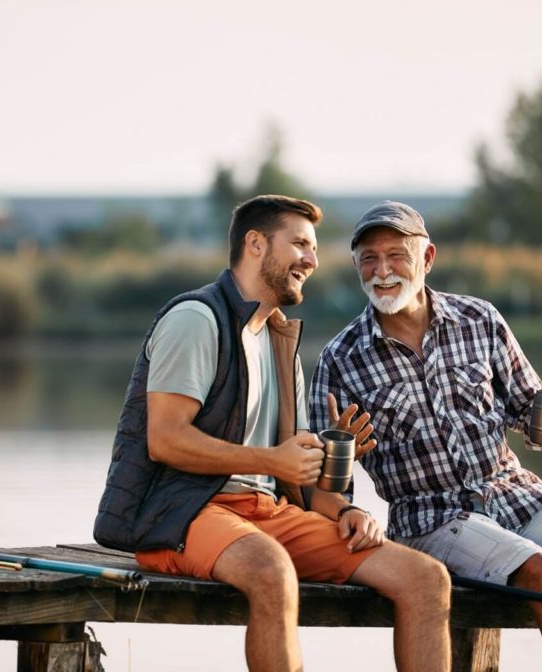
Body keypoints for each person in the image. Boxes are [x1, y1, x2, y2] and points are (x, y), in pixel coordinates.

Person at [309, 201, 542, 672]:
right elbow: (325, 490)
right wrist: (341, 457)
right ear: (355, 267)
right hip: (433, 519)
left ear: (427, 259)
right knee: (541, 572)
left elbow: (528, 407)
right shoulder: (339, 360)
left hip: (518, 496)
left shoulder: (480, 320)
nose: (382, 271)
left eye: (396, 256)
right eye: (369, 258)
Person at [94, 195, 451, 672]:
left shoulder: (281, 339)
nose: (313, 260)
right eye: (300, 244)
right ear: (256, 244)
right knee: (272, 570)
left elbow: (296, 471)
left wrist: (344, 507)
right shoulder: (196, 319)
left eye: (315, 248)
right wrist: (269, 461)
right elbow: (165, 439)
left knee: (425, 578)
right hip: (181, 513)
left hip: (267, 513)